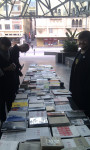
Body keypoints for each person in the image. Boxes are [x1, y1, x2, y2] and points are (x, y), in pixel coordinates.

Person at [69, 30, 90, 117]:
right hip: (76, 91)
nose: (81, 42)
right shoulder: (79, 53)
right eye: (80, 40)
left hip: (86, 94)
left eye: (85, 40)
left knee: (85, 115)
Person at [0, 37, 16, 122]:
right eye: (5, 47)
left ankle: (12, 118)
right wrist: (6, 69)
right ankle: (3, 121)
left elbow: (10, 61)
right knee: (2, 103)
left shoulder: (8, 51)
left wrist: (13, 65)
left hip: (10, 80)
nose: (7, 49)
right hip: (1, 82)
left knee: (11, 100)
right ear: (1, 44)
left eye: (8, 47)